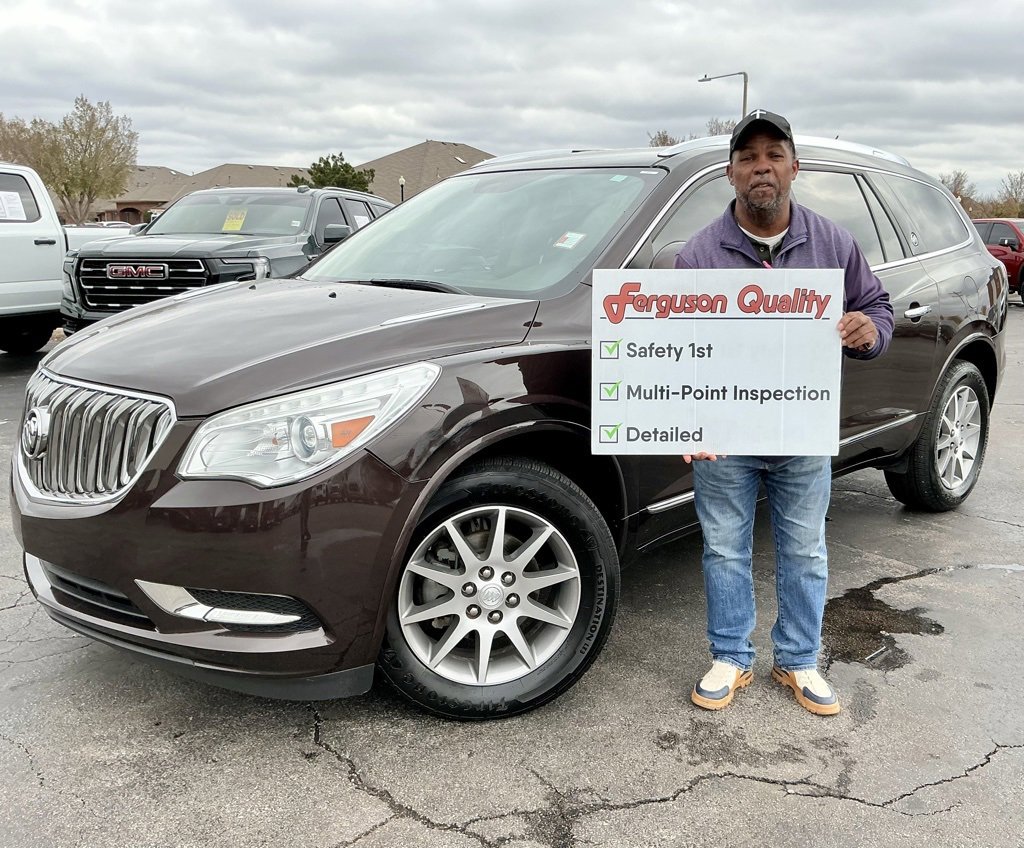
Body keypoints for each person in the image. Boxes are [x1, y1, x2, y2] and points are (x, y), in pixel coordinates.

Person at [675, 110, 894, 716]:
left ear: (795, 167)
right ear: (730, 174)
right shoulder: (698, 256)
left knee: (804, 551)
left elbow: (879, 310)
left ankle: (798, 660)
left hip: (802, 430)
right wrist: (684, 419)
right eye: (748, 159)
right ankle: (730, 656)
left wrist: (865, 330)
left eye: (773, 155)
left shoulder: (833, 243)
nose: (761, 168)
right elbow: (679, 353)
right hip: (727, 434)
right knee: (723, 547)